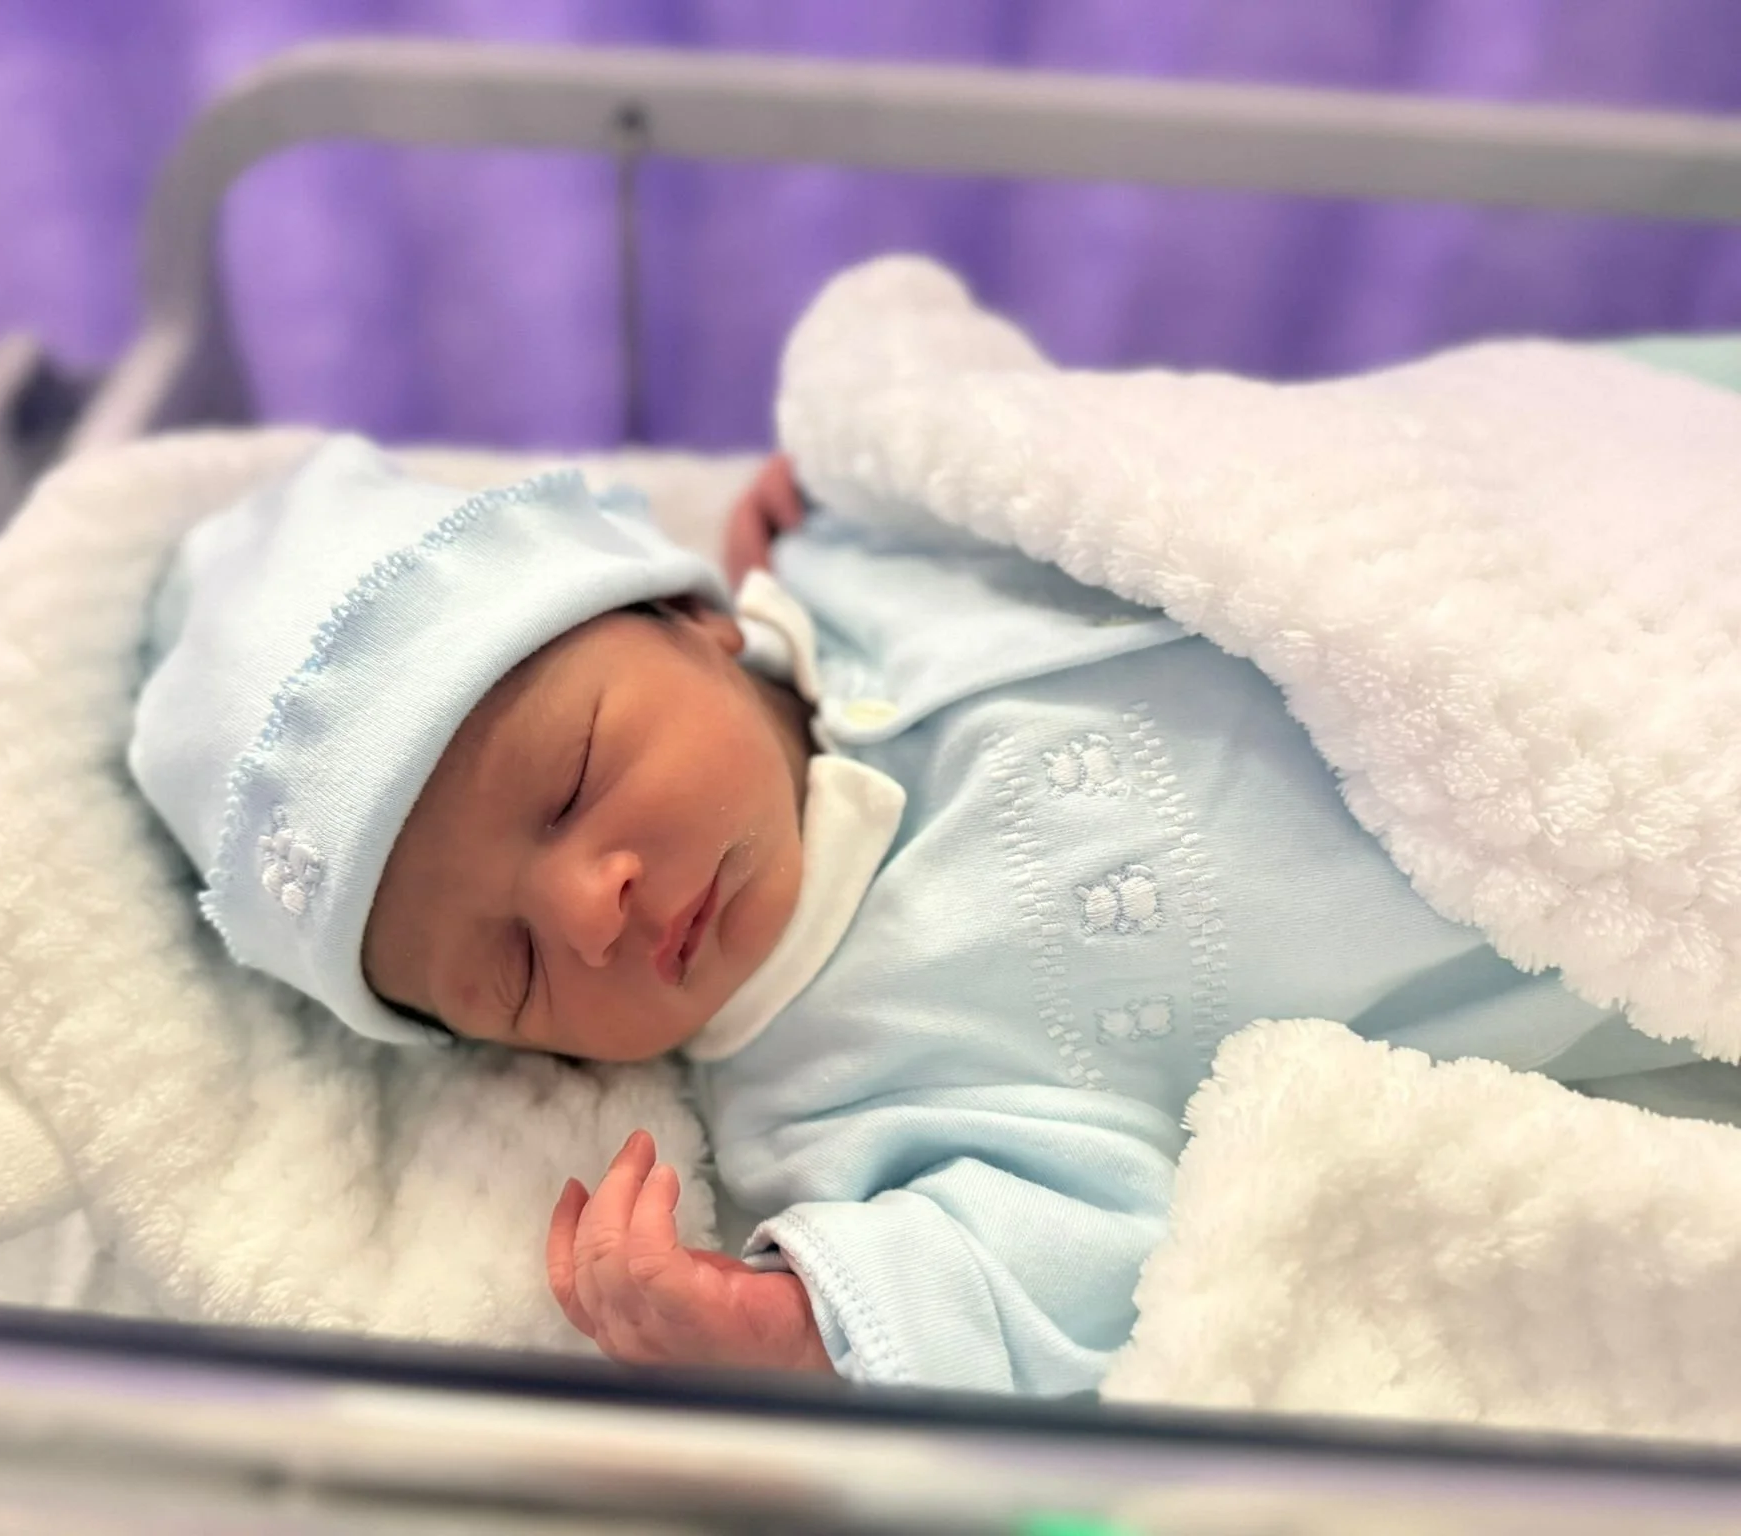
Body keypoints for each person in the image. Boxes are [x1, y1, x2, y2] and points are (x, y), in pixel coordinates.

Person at [129, 434, 1702, 1395]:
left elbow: (1093, 479)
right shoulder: (836, 1091)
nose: (592, 904)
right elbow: (1082, 1269)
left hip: (1564, 616)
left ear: (689, 621)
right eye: (514, 968)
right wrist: (801, 1323)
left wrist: (884, 481)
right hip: (1638, 895)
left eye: (574, 780)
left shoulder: (870, 576)